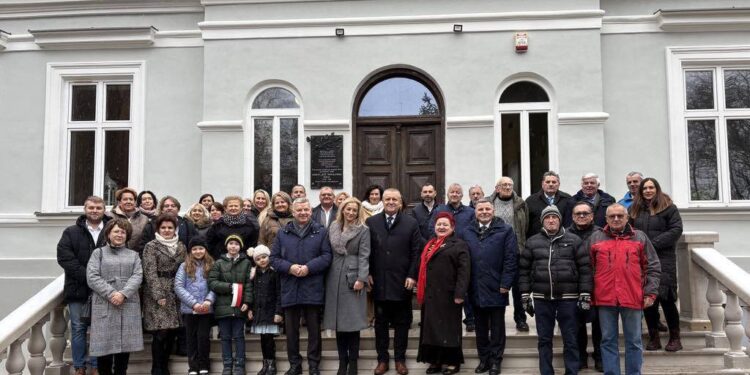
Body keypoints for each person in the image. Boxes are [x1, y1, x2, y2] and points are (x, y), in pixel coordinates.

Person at [588, 204, 661, 375]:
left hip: (633, 297)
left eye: (620, 215)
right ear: (606, 219)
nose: (616, 219)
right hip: (605, 298)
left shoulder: (639, 237)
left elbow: (653, 266)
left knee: (634, 341)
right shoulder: (596, 238)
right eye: (612, 216)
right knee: (607, 340)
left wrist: (650, 292)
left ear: (627, 217)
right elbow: (588, 268)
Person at [270, 198, 333, 375]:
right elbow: (273, 258)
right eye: (299, 210)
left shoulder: (321, 232)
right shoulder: (283, 233)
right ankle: (295, 364)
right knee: (291, 331)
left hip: (312, 286)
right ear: (293, 211)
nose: (303, 213)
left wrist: (308, 268)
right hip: (290, 286)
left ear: (310, 211)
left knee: (314, 330)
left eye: (306, 210)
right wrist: (289, 268)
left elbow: (327, 256)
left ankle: (314, 365)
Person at [366, 188, 423, 375]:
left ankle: (400, 359)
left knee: (402, 324)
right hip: (379, 282)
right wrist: (367, 273)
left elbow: (416, 252)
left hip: (402, 282)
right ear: (382, 201)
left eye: (394, 199)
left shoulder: (411, 223)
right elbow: (366, 252)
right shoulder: (371, 222)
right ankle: (382, 359)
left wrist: (412, 275)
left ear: (400, 202)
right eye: (387, 199)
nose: (391, 202)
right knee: (380, 325)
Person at [460, 199, 517, 375]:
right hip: (475, 286)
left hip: (496, 286)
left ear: (493, 211)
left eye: (487, 209)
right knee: (481, 328)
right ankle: (484, 359)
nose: (484, 212)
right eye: (480, 209)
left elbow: (511, 258)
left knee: (498, 328)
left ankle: (496, 361)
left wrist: (506, 283)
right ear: (475, 212)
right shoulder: (467, 231)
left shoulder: (506, 230)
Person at [57, 196, 111, 375]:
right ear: (85, 209)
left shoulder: (113, 230)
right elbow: (65, 257)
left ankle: (96, 366)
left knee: (99, 329)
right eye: (91, 208)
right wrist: (88, 277)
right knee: (78, 328)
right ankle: (79, 366)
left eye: (98, 208)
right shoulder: (71, 232)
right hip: (78, 287)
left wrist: (100, 281)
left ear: (104, 210)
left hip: (104, 289)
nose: (95, 211)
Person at [630, 177, 683, 352]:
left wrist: (652, 244)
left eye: (651, 187)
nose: (648, 191)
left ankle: (675, 338)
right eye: (645, 188)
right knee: (648, 300)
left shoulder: (668, 207)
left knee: (667, 299)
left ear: (657, 189)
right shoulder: (634, 209)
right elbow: (630, 232)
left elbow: (676, 230)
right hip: (641, 260)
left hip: (664, 259)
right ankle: (654, 337)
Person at [86, 218, 144, 375]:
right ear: (108, 234)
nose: (120, 234)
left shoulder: (133, 255)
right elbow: (92, 277)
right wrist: (112, 294)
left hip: (128, 303)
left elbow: (138, 276)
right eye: (116, 231)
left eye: (123, 232)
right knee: (104, 347)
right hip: (105, 303)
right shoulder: (98, 253)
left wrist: (123, 294)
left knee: (124, 348)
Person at [416, 212, 471, 375]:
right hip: (431, 294)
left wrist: (460, 293)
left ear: (452, 227)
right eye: (439, 224)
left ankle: (453, 362)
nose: (441, 227)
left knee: (449, 330)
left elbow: (464, 271)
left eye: (445, 225)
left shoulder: (459, 244)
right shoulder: (430, 244)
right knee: (432, 330)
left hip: (449, 295)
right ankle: (435, 361)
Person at [323, 197, 370, 375]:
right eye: (348, 209)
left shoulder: (363, 230)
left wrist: (361, 278)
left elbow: (365, 255)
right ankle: (342, 362)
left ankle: (353, 362)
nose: (351, 213)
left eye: (354, 210)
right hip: (334, 276)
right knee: (338, 323)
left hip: (353, 276)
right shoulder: (333, 227)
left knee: (352, 323)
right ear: (342, 209)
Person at [142, 213, 187, 375]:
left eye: (170, 228)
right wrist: (158, 294)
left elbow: (185, 269)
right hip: (158, 291)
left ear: (175, 229)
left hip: (176, 291)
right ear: (158, 229)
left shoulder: (181, 246)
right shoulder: (151, 246)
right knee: (161, 332)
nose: (167, 230)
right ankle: (157, 368)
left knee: (172, 331)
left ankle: (165, 366)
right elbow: (150, 272)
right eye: (163, 228)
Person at [486, 177, 529, 332]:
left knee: (518, 288)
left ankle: (520, 319)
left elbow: (526, 227)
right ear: (497, 188)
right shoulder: (488, 203)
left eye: (510, 185)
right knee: (496, 288)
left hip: (516, 251)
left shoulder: (520, 203)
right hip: (495, 252)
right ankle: (494, 321)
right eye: (504, 185)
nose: (507, 187)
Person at [209, 235, 254, 375]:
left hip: (240, 307)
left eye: (236, 244)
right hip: (223, 306)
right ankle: (227, 364)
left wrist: (247, 301)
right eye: (231, 244)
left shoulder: (246, 263)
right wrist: (230, 287)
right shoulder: (218, 263)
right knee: (225, 337)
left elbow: (248, 284)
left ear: (240, 247)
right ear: (226, 246)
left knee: (239, 336)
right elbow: (212, 282)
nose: (233, 246)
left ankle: (240, 364)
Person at [567, 201, 602, 371]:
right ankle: (581, 356)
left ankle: (599, 356)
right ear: (573, 216)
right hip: (574, 286)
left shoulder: (601, 234)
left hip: (598, 285)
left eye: (585, 213)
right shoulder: (565, 234)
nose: (581, 216)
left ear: (592, 216)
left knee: (599, 324)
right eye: (578, 214)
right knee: (577, 324)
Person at [174, 237, 215, 375]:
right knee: (191, 338)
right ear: (190, 251)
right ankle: (193, 366)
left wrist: (208, 301)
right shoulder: (184, 266)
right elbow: (179, 286)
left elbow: (214, 286)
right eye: (195, 249)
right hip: (189, 309)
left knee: (203, 337)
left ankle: (204, 364)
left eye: (201, 248)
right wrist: (193, 303)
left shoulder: (211, 265)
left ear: (205, 250)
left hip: (206, 309)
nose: (198, 251)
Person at [247, 245, 283, 375]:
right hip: (259, 311)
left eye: (264, 257)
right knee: (263, 339)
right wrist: (250, 308)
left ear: (269, 257)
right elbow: (252, 293)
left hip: (271, 311)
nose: (262, 260)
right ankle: (265, 363)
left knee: (269, 339)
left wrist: (278, 312)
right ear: (255, 261)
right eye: (258, 259)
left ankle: (272, 364)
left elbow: (279, 293)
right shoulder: (254, 274)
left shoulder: (274, 273)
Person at [207, 195, 260, 260]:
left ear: (241, 208)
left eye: (236, 206)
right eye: (230, 206)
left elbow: (252, 244)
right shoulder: (218, 224)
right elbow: (210, 244)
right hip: (221, 262)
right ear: (225, 208)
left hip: (242, 262)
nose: (233, 208)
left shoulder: (249, 224)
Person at [525, 171, 572, 238]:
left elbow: (570, 222)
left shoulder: (567, 199)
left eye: (554, 182)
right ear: (542, 184)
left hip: (562, 241)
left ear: (558, 184)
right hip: (537, 241)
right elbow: (526, 225)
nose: (550, 184)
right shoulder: (531, 201)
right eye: (547, 182)